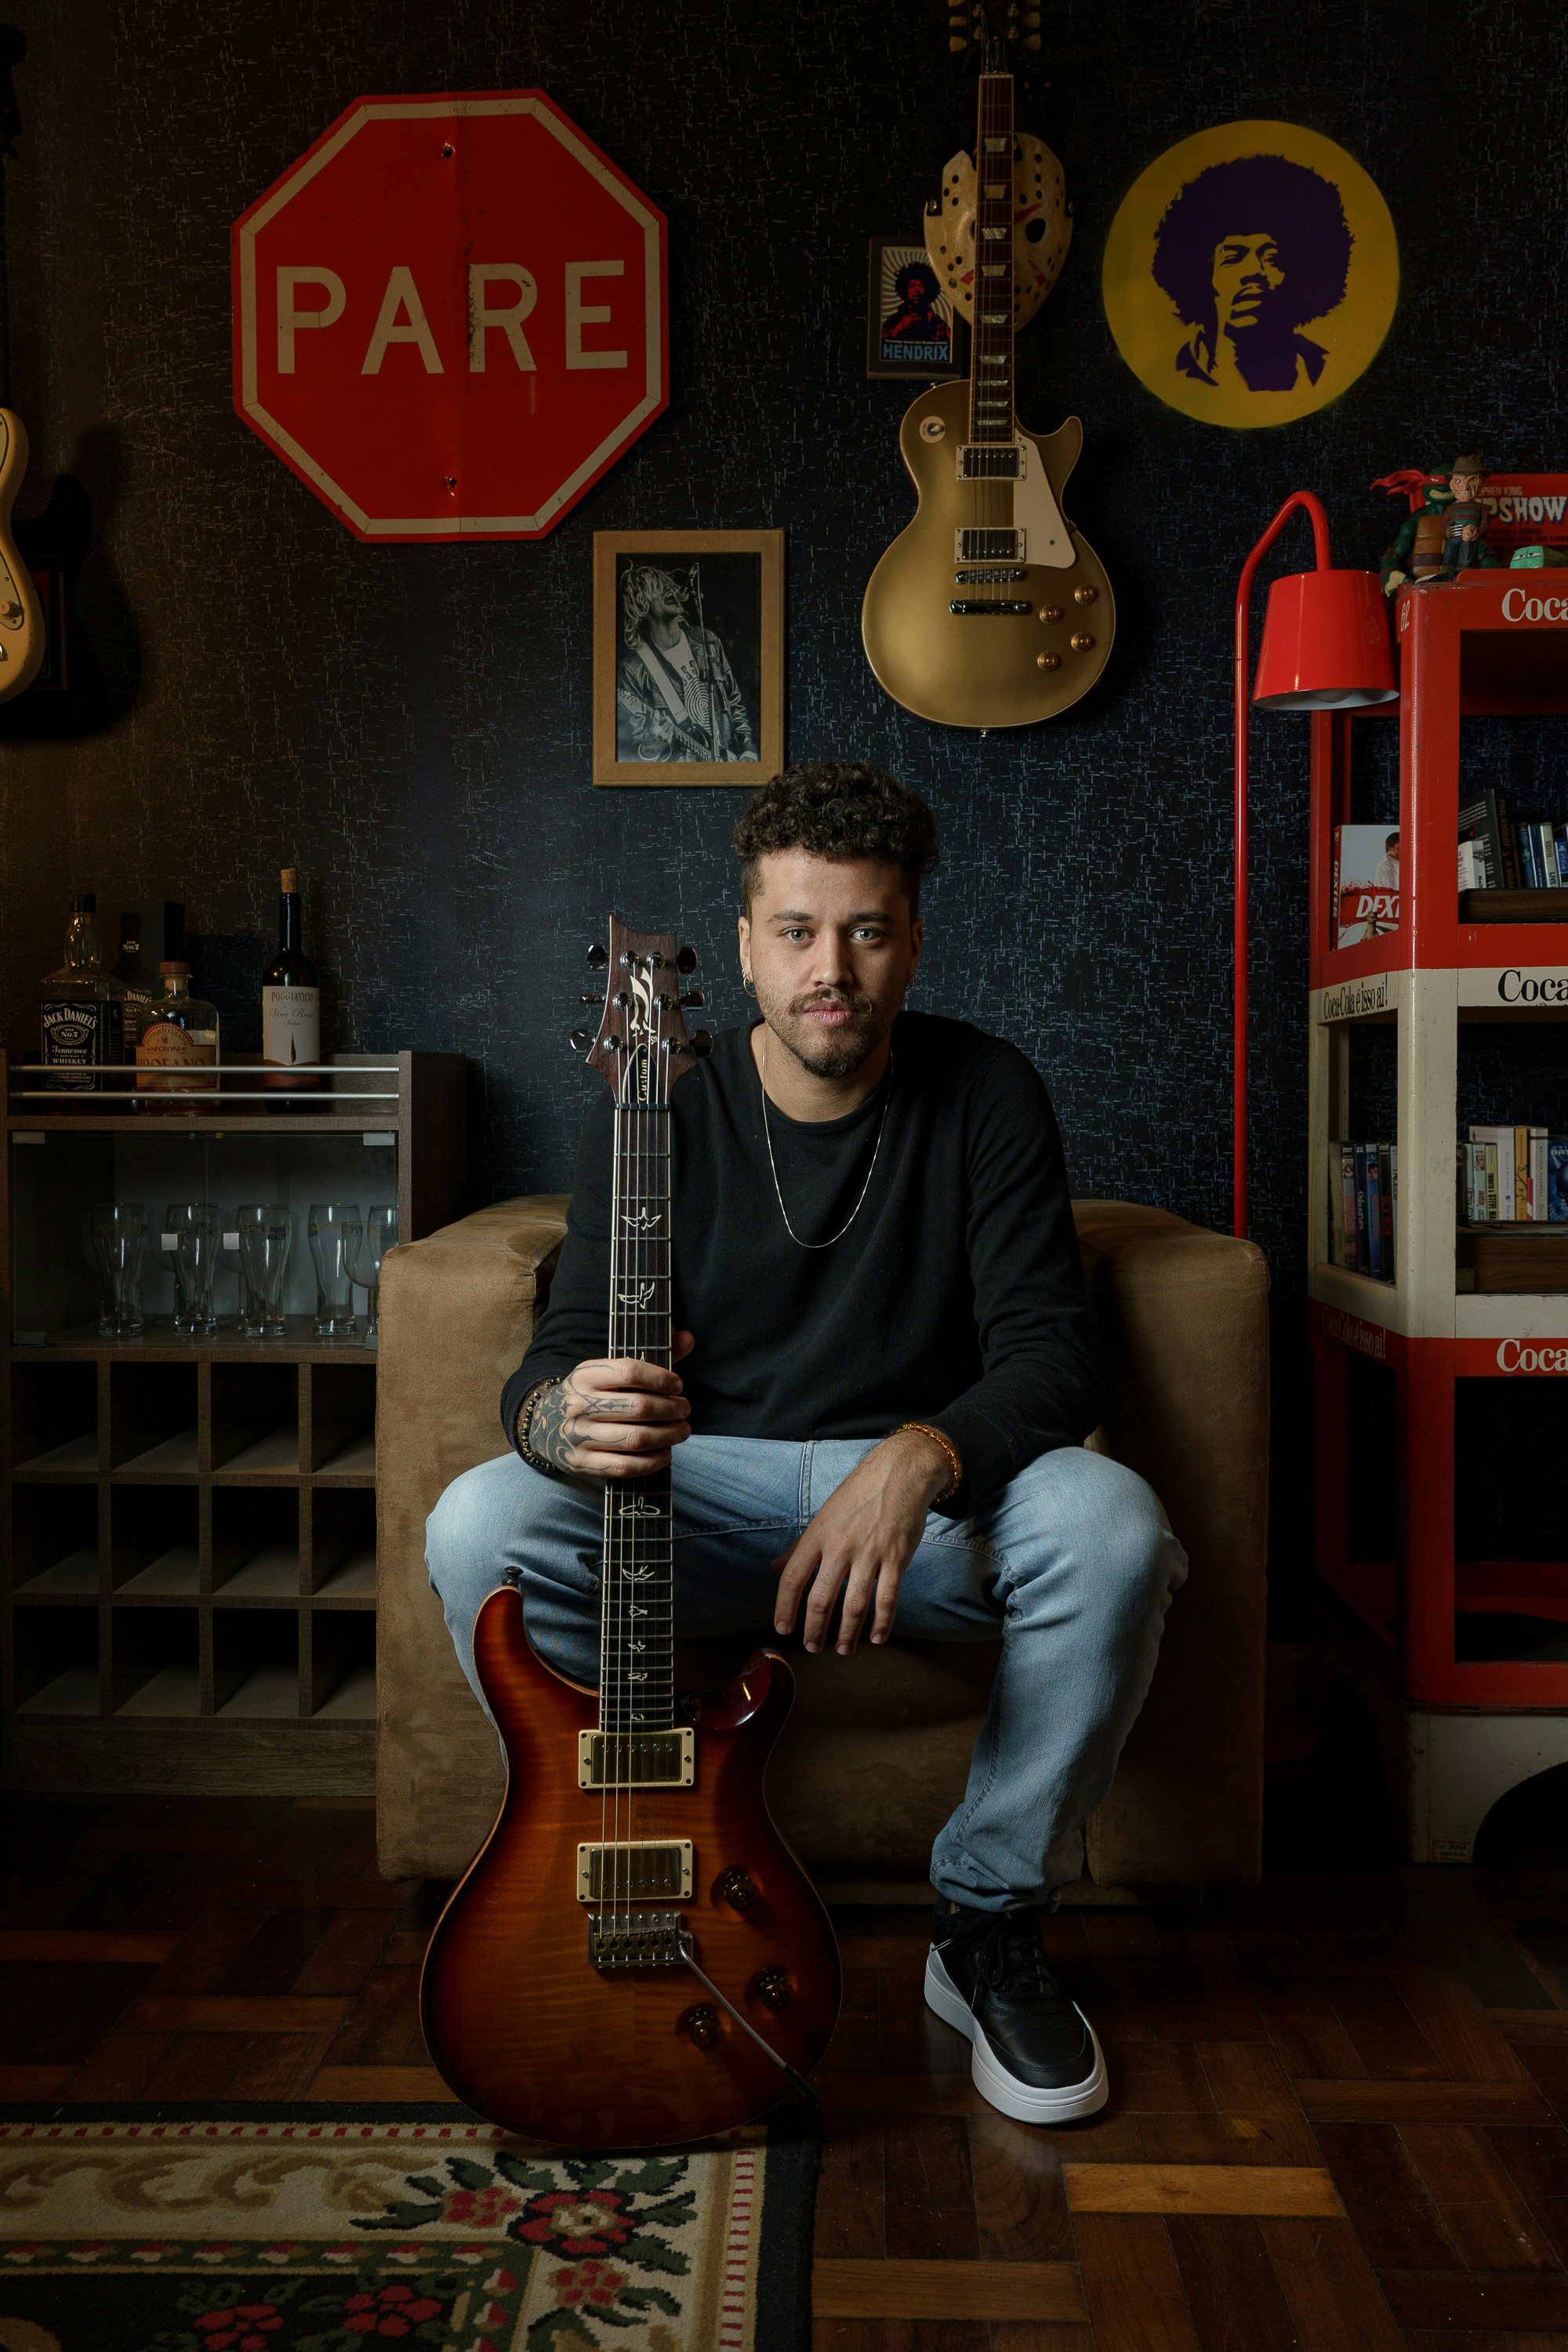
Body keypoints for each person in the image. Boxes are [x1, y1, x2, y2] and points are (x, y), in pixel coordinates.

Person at [426, 762, 1188, 2127]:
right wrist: (561, 1414)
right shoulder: (655, 1096)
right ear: (742, 945)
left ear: (915, 937)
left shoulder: (988, 1092)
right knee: (476, 1523)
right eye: (796, 931)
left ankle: (986, 1923)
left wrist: (917, 1462)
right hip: (699, 1499)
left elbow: (1048, 1357)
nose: (830, 968)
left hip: (920, 1511)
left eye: (868, 931)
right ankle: (624, 1832)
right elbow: (561, 1344)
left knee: (1112, 1522)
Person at [1150, 153, 1353, 395]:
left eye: (1271, 257)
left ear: (1303, 273)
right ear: (1200, 276)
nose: (1253, 271)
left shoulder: (1328, 371)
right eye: (1232, 257)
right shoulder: (1169, 377)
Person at [615, 563, 757, 764]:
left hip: (728, 762)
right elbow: (631, 749)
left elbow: (734, 703)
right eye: (658, 587)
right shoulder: (634, 668)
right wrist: (648, 751)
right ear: (641, 604)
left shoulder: (708, 641)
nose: (671, 589)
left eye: (670, 585)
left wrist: (748, 750)